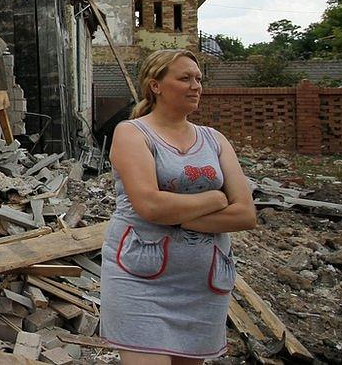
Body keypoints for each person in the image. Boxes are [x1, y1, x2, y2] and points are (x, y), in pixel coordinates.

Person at [100, 49, 257, 364]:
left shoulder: (214, 140)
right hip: (141, 279)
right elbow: (151, 206)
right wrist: (213, 199)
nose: (196, 85)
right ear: (155, 85)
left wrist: (181, 217)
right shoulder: (132, 132)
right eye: (185, 78)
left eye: (198, 79)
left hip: (202, 285)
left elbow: (245, 213)